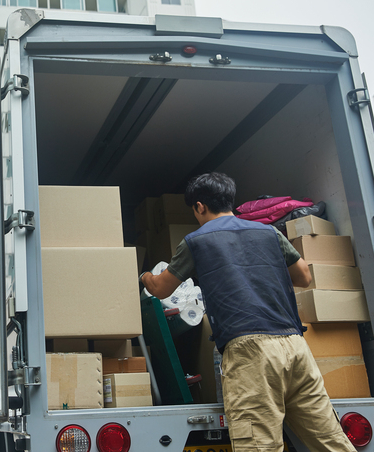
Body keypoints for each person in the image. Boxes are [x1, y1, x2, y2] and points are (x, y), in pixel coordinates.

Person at [140, 172, 355, 452]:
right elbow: (304, 277)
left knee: (258, 446)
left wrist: (145, 275)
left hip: (250, 352)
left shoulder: (197, 241)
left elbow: (161, 289)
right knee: (331, 442)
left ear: (200, 206)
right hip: (295, 346)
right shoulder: (269, 233)